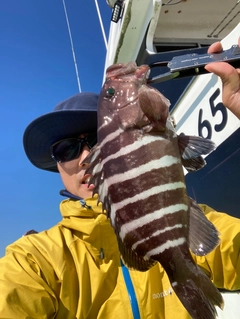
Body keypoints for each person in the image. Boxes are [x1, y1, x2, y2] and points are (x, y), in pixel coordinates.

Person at [0, 48, 240, 318]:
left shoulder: (190, 220)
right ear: (57, 165)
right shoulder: (36, 260)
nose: (86, 157)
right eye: (67, 149)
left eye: (99, 139)